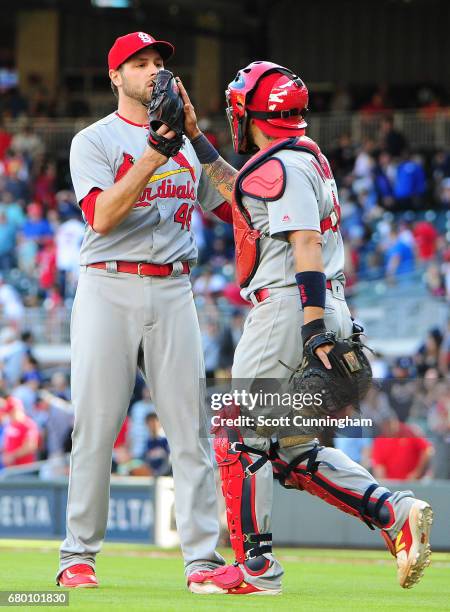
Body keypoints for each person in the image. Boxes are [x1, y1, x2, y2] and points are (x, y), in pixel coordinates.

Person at [177, 61, 434, 595]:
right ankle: (394, 512)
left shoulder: (284, 166)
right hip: (318, 305)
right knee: (290, 450)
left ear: (250, 111)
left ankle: (255, 568)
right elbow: (239, 205)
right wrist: (197, 140)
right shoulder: (298, 160)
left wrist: (313, 327)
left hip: (291, 310)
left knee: (237, 432)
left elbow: (305, 244)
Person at [56, 31, 229, 589]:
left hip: (174, 287)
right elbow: (101, 217)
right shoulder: (95, 140)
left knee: (191, 430)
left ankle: (202, 560)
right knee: (97, 428)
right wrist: (156, 151)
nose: (153, 70)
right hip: (109, 284)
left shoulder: (184, 143)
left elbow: (234, 209)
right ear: (115, 77)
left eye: (158, 62)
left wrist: (198, 141)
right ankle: (78, 556)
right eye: (140, 63)